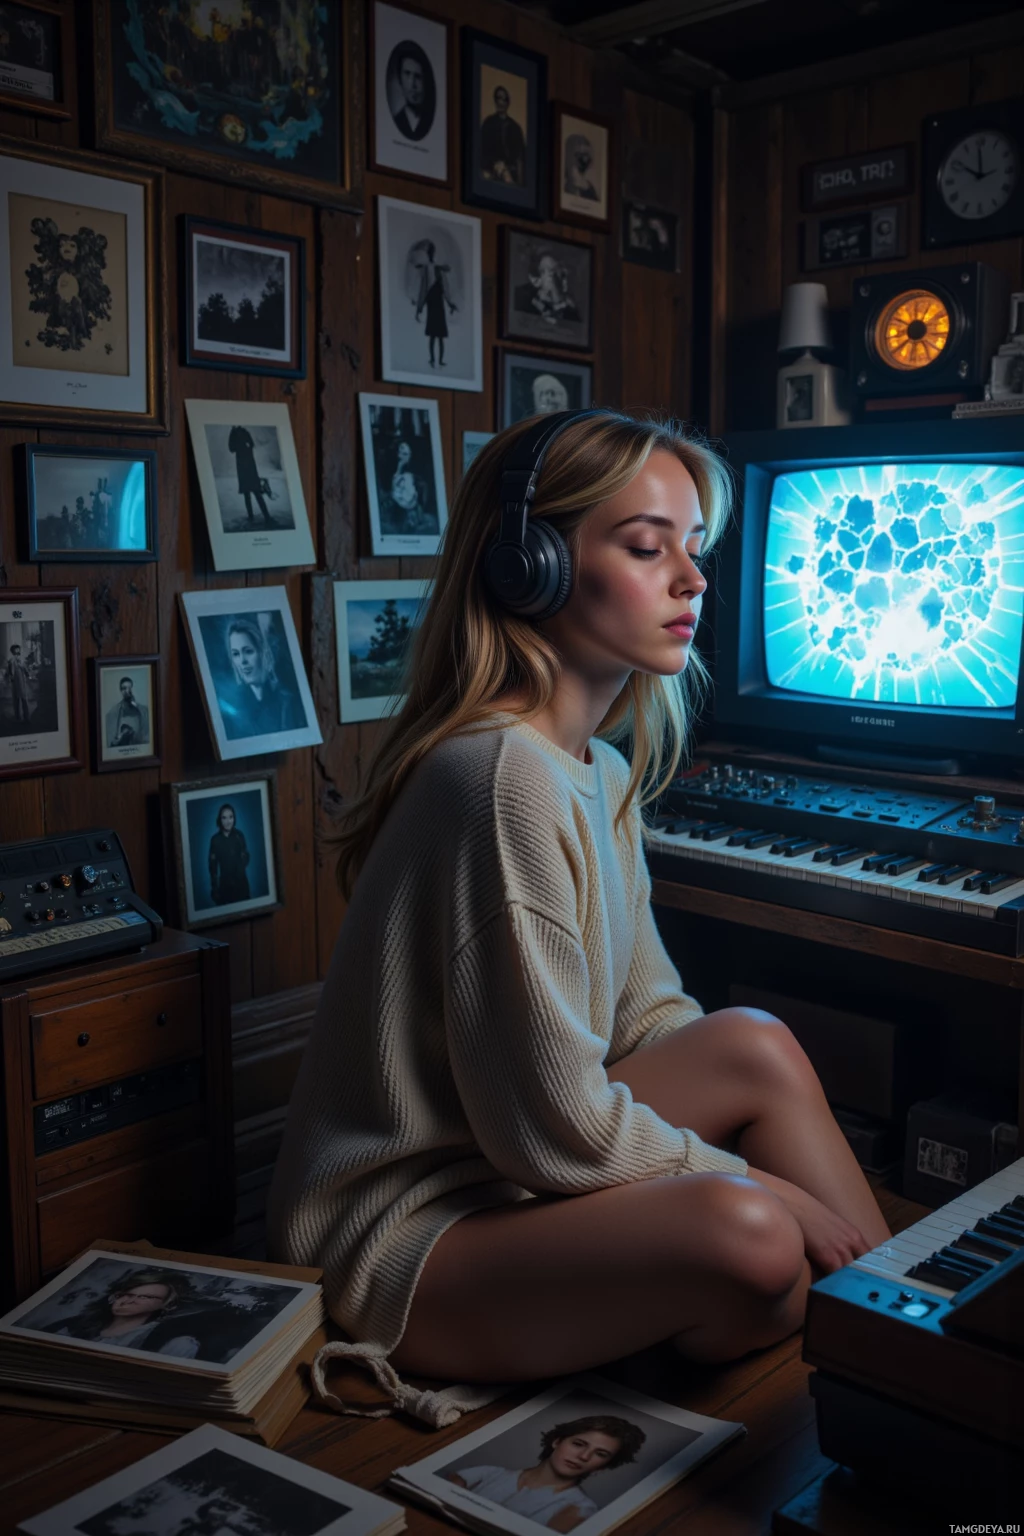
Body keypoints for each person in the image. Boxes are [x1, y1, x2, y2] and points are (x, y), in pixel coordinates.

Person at [267, 411, 890, 1427]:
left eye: (694, 548)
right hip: (412, 1238)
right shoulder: (498, 777)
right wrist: (760, 1187)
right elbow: (549, 1125)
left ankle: (906, 1335)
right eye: (647, 547)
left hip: (513, 1174)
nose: (692, 580)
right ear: (530, 569)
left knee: (755, 1044)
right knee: (755, 1240)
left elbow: (650, 1020)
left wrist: (748, 1181)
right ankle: (854, 1326)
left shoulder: (594, 769)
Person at [447, 1414, 645, 1532]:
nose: (584, 1456)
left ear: (603, 1466)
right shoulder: (484, 1473)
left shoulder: (580, 1510)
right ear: (557, 1441)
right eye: (578, 1444)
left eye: (600, 1454)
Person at [40, 1268, 202, 1358]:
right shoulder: (73, 1325)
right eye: (125, 1294)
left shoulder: (172, 1342)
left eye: (144, 1297)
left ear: (169, 1305)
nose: (127, 1301)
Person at [219, 617, 303, 740]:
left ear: (262, 653)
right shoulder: (233, 707)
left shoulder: (287, 702)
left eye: (248, 651)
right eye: (236, 654)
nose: (242, 661)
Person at [412, 239, 456, 369]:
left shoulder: (437, 269)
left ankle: (439, 360)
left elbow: (444, 288)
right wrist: (419, 307)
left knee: (439, 336)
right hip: (432, 302)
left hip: (438, 303)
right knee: (433, 336)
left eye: (431, 252)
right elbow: (423, 289)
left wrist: (450, 303)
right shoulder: (428, 269)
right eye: (429, 252)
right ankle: (432, 359)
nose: (430, 254)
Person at [226, 424, 273, 526]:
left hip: (246, 468)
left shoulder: (237, 433)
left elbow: (233, 448)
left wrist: (242, 446)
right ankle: (265, 517)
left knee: (251, 494)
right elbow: (236, 448)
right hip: (248, 467)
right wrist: (244, 446)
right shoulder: (241, 432)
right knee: (253, 493)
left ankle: (259, 517)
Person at [480, 83, 525, 185]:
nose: (501, 102)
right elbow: (482, 151)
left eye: (504, 99)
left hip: (510, 174)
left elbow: (520, 158)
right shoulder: (488, 123)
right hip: (490, 170)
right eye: (498, 98)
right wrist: (493, 166)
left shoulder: (515, 127)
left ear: (507, 102)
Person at [208, 803, 251, 906]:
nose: (228, 821)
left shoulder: (239, 836)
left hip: (241, 885)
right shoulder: (215, 840)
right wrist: (214, 888)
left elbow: (246, 855)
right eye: (224, 818)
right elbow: (212, 867)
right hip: (225, 886)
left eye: (230, 817)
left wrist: (241, 866)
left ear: (234, 818)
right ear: (220, 820)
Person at [389, 43, 432, 141]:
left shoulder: (432, 121)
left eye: (418, 76)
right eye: (407, 74)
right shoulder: (396, 120)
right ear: (400, 78)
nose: (412, 84)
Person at [106, 674, 150, 748]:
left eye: (130, 688)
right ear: (121, 691)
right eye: (124, 688)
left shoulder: (144, 711)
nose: (127, 691)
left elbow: (146, 737)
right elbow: (111, 741)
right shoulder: (114, 712)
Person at [563, 133, 598, 201]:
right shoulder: (569, 187)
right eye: (579, 154)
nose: (585, 158)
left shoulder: (590, 187)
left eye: (587, 154)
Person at [3, 642, 30, 726]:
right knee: (16, 701)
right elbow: (8, 672)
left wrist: (25, 670)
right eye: (15, 651)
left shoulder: (21, 661)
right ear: (13, 652)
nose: (17, 652)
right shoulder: (11, 661)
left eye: (18, 650)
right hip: (14, 683)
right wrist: (7, 678)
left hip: (21, 682)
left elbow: (26, 671)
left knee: (24, 700)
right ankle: (18, 717)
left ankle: (26, 718)